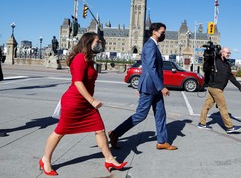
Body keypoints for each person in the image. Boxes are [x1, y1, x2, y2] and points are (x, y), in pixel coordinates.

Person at [39, 32, 127, 176]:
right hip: (74, 102)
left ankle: (109, 159)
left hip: (86, 103)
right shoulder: (80, 58)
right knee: (60, 131)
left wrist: (90, 101)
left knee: (99, 129)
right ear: (88, 42)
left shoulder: (89, 59)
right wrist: (92, 100)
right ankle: (45, 160)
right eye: (98, 41)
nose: (101, 44)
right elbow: (77, 82)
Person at [109, 22, 177, 151]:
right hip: (151, 86)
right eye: (162, 32)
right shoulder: (150, 46)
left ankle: (162, 141)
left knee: (161, 114)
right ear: (155, 32)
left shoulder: (153, 45)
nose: (164, 34)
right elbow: (151, 69)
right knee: (140, 115)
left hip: (154, 87)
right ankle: (115, 133)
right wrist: (161, 87)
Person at [197, 47, 241, 133]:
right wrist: (208, 57)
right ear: (222, 53)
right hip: (215, 88)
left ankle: (202, 123)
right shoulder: (215, 60)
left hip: (214, 88)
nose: (229, 54)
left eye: (229, 53)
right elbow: (206, 67)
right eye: (227, 53)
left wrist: (239, 86)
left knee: (206, 106)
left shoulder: (227, 64)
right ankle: (229, 127)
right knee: (223, 107)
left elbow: (230, 76)